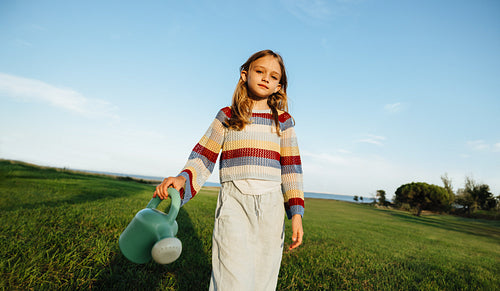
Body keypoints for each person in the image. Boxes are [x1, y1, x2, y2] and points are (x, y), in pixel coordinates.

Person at [154, 49, 304, 291]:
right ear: (245, 75)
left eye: (274, 76)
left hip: (272, 206)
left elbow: (291, 169)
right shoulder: (228, 116)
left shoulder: (283, 121)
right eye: (259, 71)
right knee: (230, 276)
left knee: (264, 277)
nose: (266, 78)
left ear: (279, 86)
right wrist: (183, 178)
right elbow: (204, 154)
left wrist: (296, 214)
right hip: (234, 202)